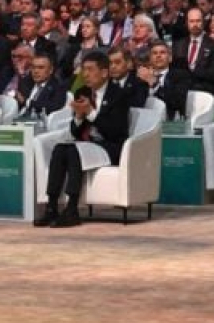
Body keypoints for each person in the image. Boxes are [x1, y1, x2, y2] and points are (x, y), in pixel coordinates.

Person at [35, 51, 139, 228]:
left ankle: (72, 209)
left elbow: (116, 131)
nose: (85, 74)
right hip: (87, 144)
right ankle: (51, 206)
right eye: (84, 69)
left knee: (74, 151)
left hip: (111, 146)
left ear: (104, 72)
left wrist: (90, 113)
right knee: (60, 149)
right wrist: (78, 117)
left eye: (90, 70)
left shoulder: (118, 95)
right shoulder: (82, 92)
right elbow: (75, 132)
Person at [172, 7, 214, 97]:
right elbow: (174, 71)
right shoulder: (178, 45)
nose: (195, 24)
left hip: (204, 92)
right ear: (187, 23)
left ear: (203, 22)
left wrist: (192, 71)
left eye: (198, 21)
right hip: (181, 92)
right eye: (191, 21)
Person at [137, 40, 191, 119]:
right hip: (144, 119)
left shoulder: (180, 76)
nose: (158, 56)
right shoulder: (142, 77)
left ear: (170, 58)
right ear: (150, 59)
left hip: (170, 121)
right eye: (154, 53)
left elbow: (177, 103)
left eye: (162, 52)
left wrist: (155, 85)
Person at [15, 52, 67, 118]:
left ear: (51, 70)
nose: (36, 71)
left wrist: (26, 102)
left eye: (41, 67)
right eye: (33, 67)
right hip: (18, 117)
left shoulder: (58, 87)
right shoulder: (26, 82)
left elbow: (52, 107)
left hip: (40, 122)